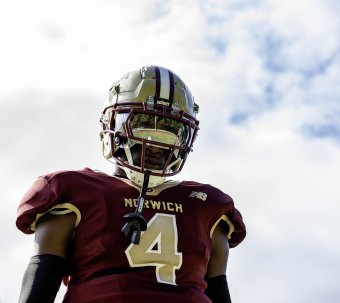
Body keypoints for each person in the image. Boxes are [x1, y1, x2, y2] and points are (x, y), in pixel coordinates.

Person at [16, 65, 246, 303]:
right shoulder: (74, 191)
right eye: (144, 124)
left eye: (170, 130)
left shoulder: (206, 205)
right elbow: (42, 281)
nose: (156, 145)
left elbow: (217, 289)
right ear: (113, 128)